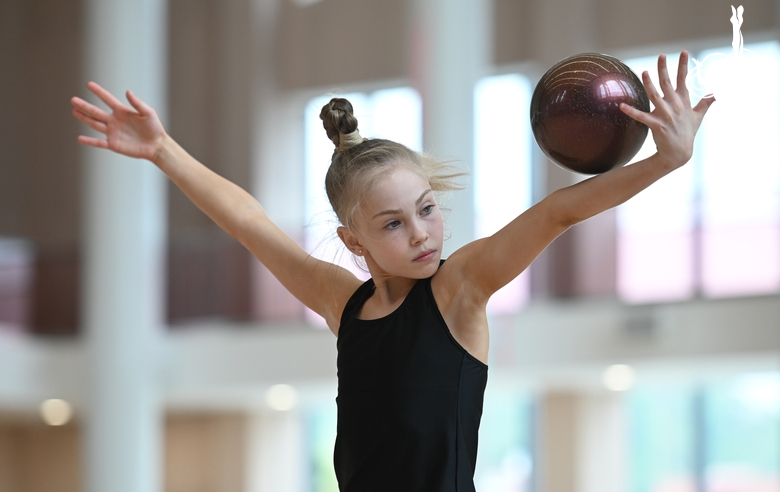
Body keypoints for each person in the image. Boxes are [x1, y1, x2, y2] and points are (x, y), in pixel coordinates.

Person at [71, 51, 714, 491]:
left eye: (427, 210)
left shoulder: (460, 291)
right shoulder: (342, 304)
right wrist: (163, 150)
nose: (421, 233)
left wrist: (662, 164)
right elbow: (249, 222)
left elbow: (555, 215)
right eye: (392, 224)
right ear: (354, 242)